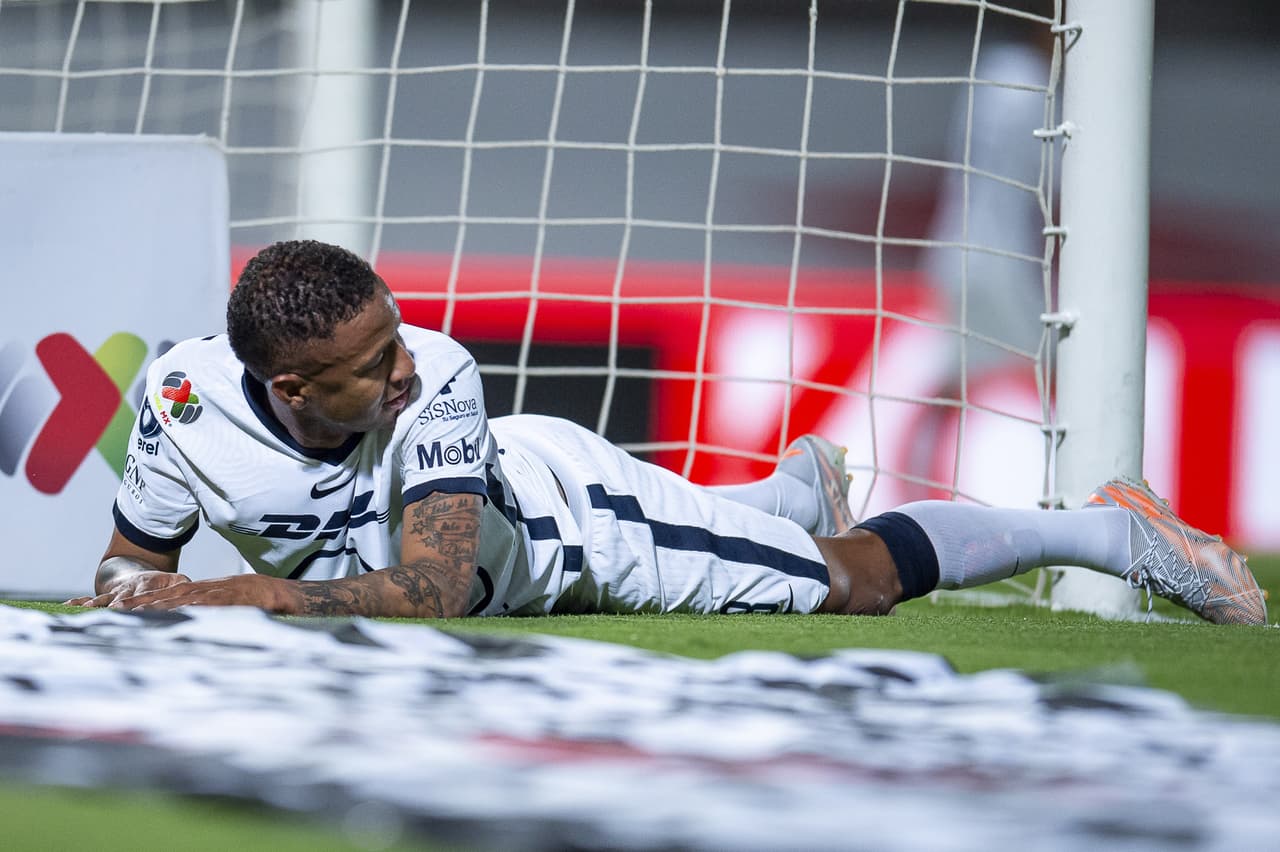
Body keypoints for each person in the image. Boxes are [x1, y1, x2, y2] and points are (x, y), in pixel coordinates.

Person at [68, 241, 1267, 627]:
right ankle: (791, 491)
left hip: (570, 529)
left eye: (395, 337)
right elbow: (134, 561)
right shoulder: (179, 405)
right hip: (519, 547)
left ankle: (1105, 533)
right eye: (361, 365)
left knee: (846, 588)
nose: (401, 364)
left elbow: (432, 588)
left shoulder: (434, 377)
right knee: (772, 532)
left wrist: (247, 599)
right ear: (283, 387)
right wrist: (132, 591)